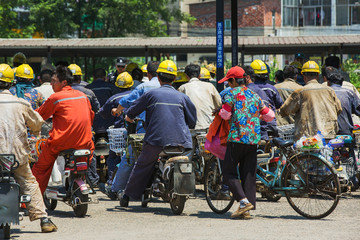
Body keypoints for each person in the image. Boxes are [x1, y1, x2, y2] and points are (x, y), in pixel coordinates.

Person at [119, 60, 197, 207]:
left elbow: (133, 110)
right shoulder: (183, 97)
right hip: (182, 143)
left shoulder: (151, 94)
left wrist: (129, 117)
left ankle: (127, 196)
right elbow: (192, 121)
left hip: (156, 141)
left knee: (142, 165)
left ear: (158, 78)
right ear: (174, 79)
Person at [0, 64, 57, 232]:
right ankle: (44, 220)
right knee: (29, 182)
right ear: (11, 83)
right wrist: (35, 131)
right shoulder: (21, 103)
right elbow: (37, 123)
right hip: (17, 157)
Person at [217, 66, 275, 219]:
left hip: (236, 138)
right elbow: (269, 116)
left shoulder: (231, 94)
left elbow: (225, 114)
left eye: (229, 81)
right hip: (253, 140)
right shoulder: (254, 96)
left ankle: (243, 202)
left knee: (228, 172)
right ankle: (247, 210)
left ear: (234, 80)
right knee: (248, 174)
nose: (229, 84)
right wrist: (257, 117)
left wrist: (221, 111)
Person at [32, 65, 95, 194]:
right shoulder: (83, 96)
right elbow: (91, 116)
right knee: (89, 153)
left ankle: (32, 201)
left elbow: (38, 116)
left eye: (54, 81)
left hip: (61, 142)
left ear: (64, 82)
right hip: (85, 142)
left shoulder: (56, 98)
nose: (51, 84)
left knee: (41, 168)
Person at [98, 72, 138, 199]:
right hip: (136, 133)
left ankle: (111, 184)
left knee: (113, 157)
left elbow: (103, 113)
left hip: (118, 133)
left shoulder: (114, 98)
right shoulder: (136, 96)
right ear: (131, 84)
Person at [280, 61, 342, 140]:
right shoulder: (330, 90)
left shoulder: (300, 92)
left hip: (308, 138)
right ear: (317, 75)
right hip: (328, 134)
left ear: (303, 76)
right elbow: (339, 109)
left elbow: (285, 110)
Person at [178, 63, 222, 130]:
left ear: (186, 76)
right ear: (199, 75)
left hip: (190, 128)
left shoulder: (182, 88)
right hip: (209, 127)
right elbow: (219, 105)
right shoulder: (210, 86)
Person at [86, 68, 119, 134]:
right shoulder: (111, 88)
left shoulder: (87, 89)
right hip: (109, 125)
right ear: (105, 77)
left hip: (93, 125)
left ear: (93, 77)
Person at [251, 60, 283, 126]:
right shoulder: (272, 88)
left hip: (254, 125)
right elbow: (279, 105)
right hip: (271, 124)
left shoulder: (249, 89)